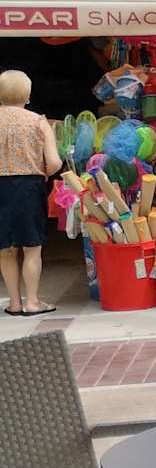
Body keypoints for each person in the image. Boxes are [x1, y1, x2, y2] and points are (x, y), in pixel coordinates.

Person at [0, 69, 63, 317]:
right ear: (27, 96)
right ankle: (33, 302)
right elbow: (55, 162)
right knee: (32, 247)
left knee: (5, 249)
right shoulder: (38, 122)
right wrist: (42, 172)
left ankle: (14, 304)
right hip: (29, 187)